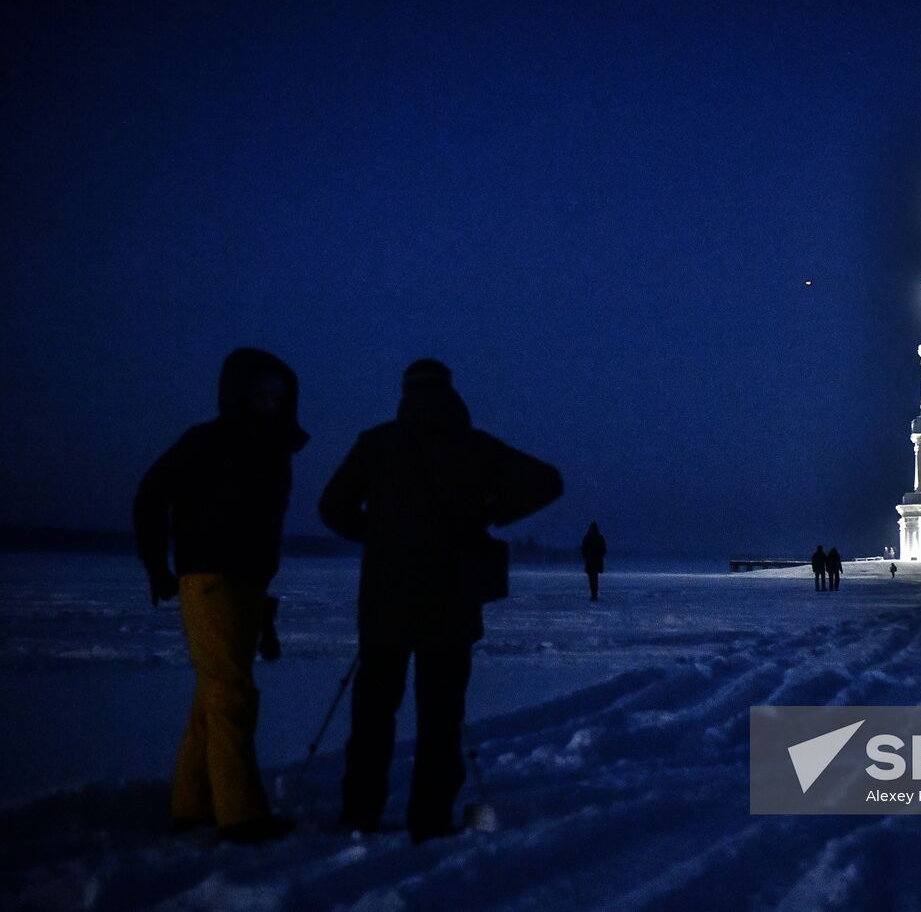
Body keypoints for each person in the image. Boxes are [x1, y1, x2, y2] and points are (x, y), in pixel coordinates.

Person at [319, 359, 562, 844]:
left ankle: (360, 812)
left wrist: (377, 535)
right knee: (441, 715)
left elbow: (331, 507)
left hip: (386, 602)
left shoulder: (376, 444)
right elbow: (547, 481)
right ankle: (429, 819)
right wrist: (492, 514)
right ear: (450, 392)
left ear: (405, 393)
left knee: (373, 713)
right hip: (450, 603)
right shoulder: (475, 447)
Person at [133, 348, 308, 844]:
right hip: (210, 579)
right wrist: (156, 565)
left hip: (248, 585)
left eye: (277, 393)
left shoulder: (272, 451)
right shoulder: (206, 442)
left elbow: (260, 529)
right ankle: (240, 814)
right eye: (259, 392)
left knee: (213, 693)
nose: (269, 401)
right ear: (238, 393)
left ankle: (192, 805)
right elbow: (150, 495)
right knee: (231, 693)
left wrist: (265, 609)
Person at [581, 523, 606, 601]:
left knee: (594, 578)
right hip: (591, 562)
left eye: (593, 529)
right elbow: (583, 550)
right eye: (592, 529)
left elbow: (603, 549)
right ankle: (593, 594)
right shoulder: (588, 538)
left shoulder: (598, 538)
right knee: (592, 579)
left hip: (595, 562)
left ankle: (594, 594)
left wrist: (598, 555)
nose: (592, 530)